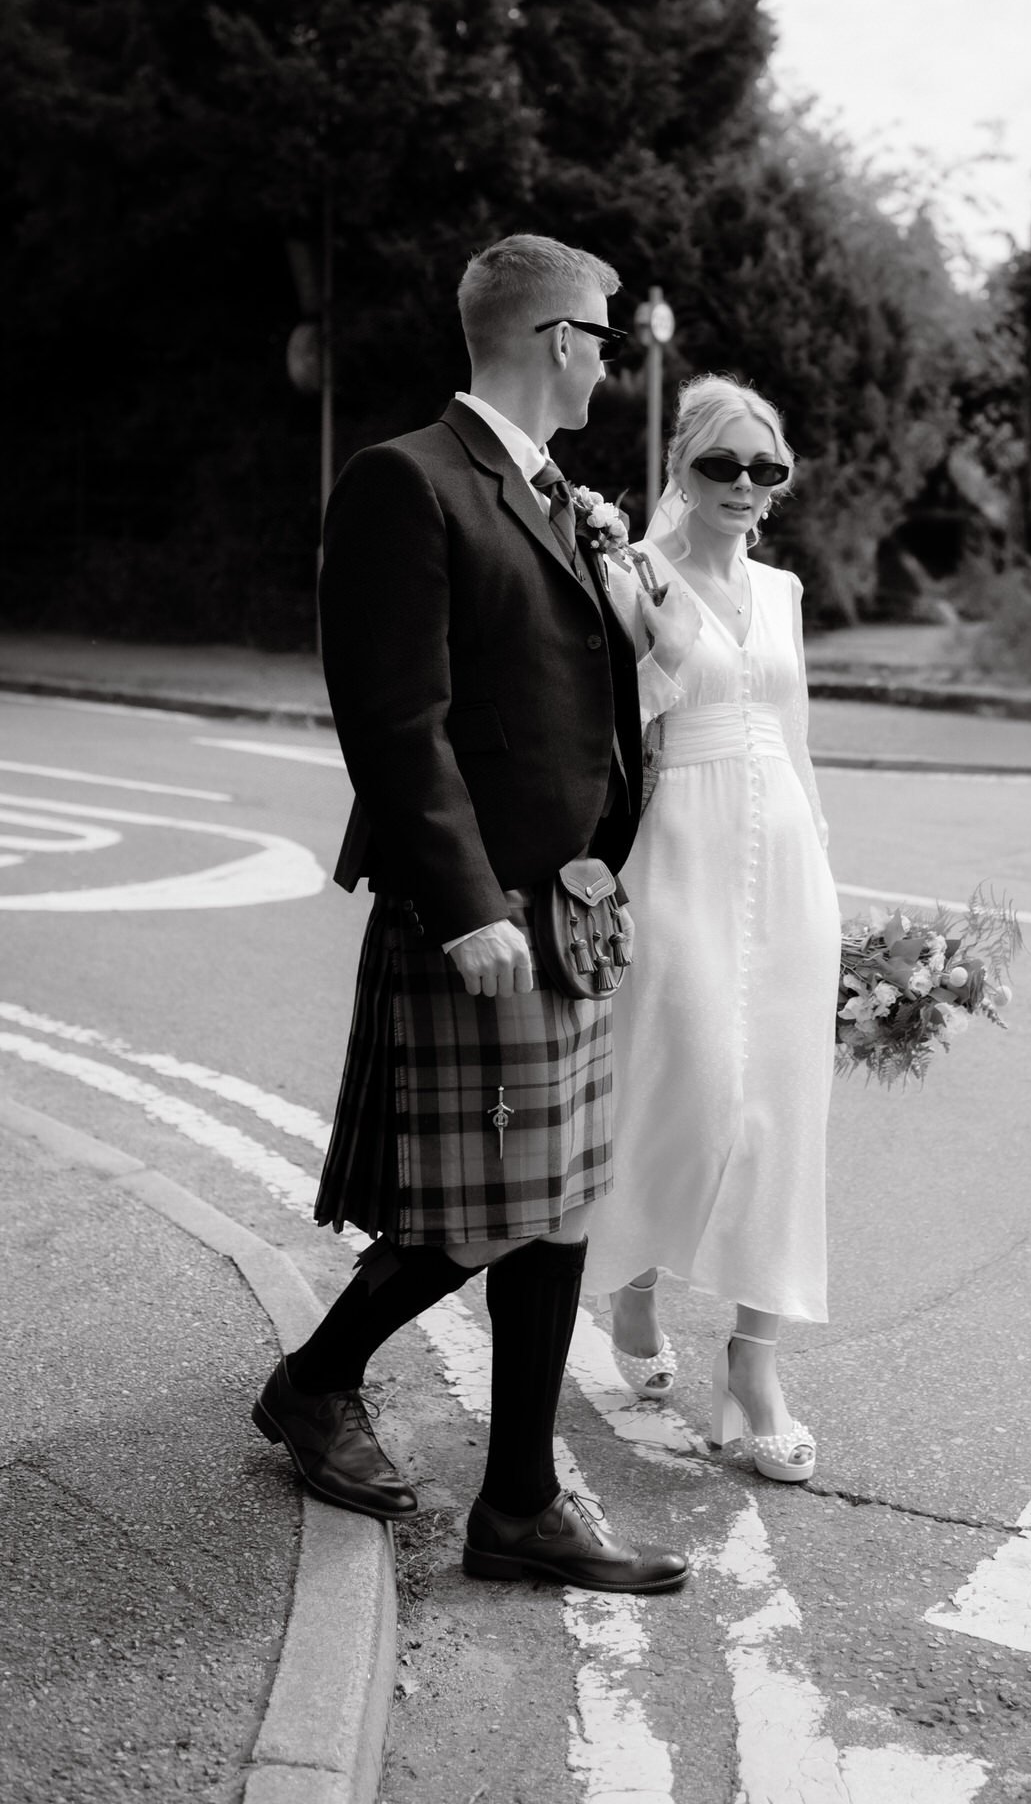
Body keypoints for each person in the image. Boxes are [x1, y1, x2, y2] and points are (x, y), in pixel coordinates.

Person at [252, 234, 688, 1595]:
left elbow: (586, 693)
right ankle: (316, 1384)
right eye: (605, 338)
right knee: (480, 1208)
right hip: (487, 911)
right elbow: (396, 716)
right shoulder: (410, 480)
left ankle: (516, 1504)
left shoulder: (558, 497)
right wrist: (461, 905)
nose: (612, 361)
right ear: (557, 339)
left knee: (550, 1207)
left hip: (571, 903)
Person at [582, 376, 842, 1483]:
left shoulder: (782, 592)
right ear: (680, 469)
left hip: (786, 861)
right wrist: (643, 627)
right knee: (680, 1080)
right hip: (677, 848)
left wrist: (829, 872)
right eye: (720, 465)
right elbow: (616, 722)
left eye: (763, 468)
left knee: (779, 1111)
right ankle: (631, 1285)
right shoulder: (636, 573)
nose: (743, 486)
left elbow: (796, 734)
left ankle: (753, 1363)